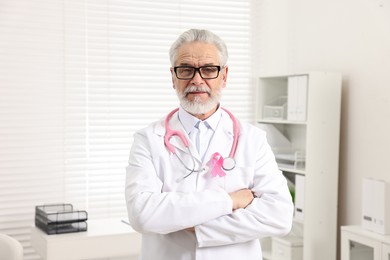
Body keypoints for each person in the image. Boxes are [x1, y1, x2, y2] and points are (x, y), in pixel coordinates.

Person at [125, 29, 294, 260]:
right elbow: (142, 214)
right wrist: (231, 200)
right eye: (185, 69)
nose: (197, 80)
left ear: (224, 76)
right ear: (173, 77)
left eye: (208, 69)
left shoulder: (253, 139)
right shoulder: (148, 139)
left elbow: (279, 216)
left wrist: (196, 226)